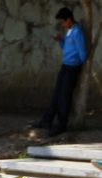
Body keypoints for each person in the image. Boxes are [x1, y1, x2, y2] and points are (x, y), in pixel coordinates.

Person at [31, 7, 87, 138]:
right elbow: (67, 48)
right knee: (57, 94)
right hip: (65, 66)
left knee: (64, 97)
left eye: (63, 22)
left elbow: (82, 52)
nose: (62, 24)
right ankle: (47, 120)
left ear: (69, 20)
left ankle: (62, 124)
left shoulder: (77, 32)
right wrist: (61, 41)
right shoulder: (70, 31)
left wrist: (78, 63)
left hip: (72, 68)